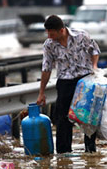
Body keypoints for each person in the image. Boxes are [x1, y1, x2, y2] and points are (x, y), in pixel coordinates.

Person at [36, 15, 100, 153]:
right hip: (65, 82)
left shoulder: (81, 36)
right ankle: (63, 153)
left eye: (51, 33)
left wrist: (94, 67)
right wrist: (41, 92)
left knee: (88, 116)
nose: (49, 35)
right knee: (62, 118)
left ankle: (90, 150)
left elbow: (94, 50)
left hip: (85, 80)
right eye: (47, 32)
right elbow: (46, 69)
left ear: (61, 30)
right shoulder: (49, 44)